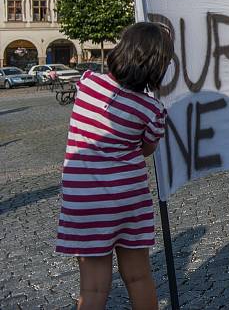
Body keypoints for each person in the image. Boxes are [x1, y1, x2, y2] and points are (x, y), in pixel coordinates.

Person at [55, 22, 173, 309]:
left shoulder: (88, 83)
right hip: (128, 197)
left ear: (121, 50)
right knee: (138, 277)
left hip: (85, 200)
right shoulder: (152, 111)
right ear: (159, 66)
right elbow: (146, 149)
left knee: (93, 288)